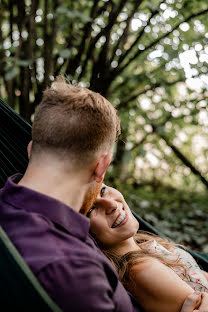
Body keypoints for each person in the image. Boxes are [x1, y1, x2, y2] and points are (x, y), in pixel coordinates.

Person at [0, 76, 207, 312]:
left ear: (29, 151)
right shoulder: (75, 274)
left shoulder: (15, 214)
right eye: (91, 210)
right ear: (101, 167)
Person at [88, 184, 208, 312]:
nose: (112, 205)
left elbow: (199, 275)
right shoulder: (142, 270)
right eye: (91, 209)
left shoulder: (143, 243)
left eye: (102, 190)